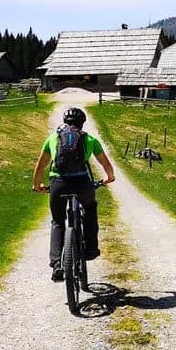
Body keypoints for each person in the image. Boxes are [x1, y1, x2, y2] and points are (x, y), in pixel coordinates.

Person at [32, 107, 115, 281]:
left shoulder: (53, 138)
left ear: (64, 122)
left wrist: (37, 185)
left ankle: (57, 264)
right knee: (90, 209)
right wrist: (109, 177)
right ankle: (91, 248)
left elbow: (40, 166)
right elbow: (106, 164)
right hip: (82, 183)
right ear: (82, 123)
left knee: (57, 221)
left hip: (58, 183)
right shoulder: (89, 139)